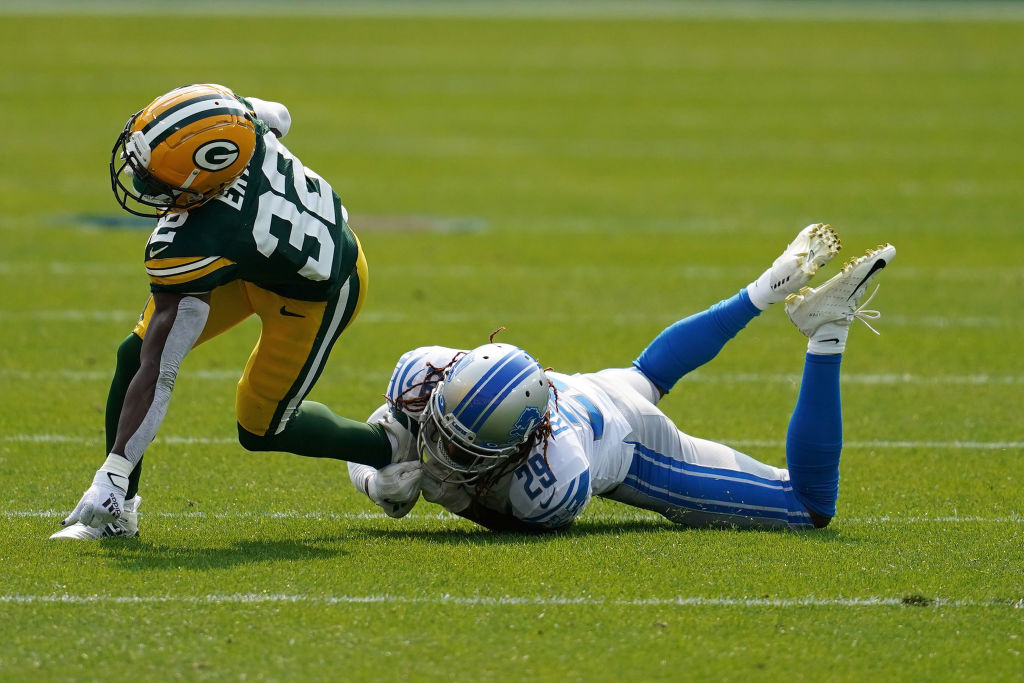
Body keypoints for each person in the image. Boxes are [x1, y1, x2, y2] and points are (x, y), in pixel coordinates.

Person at [348, 225, 895, 531]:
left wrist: (447, 494)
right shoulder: (423, 369)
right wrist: (372, 476)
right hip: (595, 388)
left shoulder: (555, 477)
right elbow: (383, 427)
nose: (441, 451)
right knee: (647, 372)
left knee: (809, 506)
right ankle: (761, 291)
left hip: (630, 439)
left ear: (527, 444)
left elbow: (507, 520)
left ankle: (825, 333)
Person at [52, 84, 397, 540]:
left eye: (157, 183)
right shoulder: (241, 124)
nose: (142, 186)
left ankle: (386, 444)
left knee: (261, 427)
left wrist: (111, 467)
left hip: (317, 288)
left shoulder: (199, 239)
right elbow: (278, 113)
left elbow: (162, 367)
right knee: (130, 355)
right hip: (247, 259)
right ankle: (121, 510)